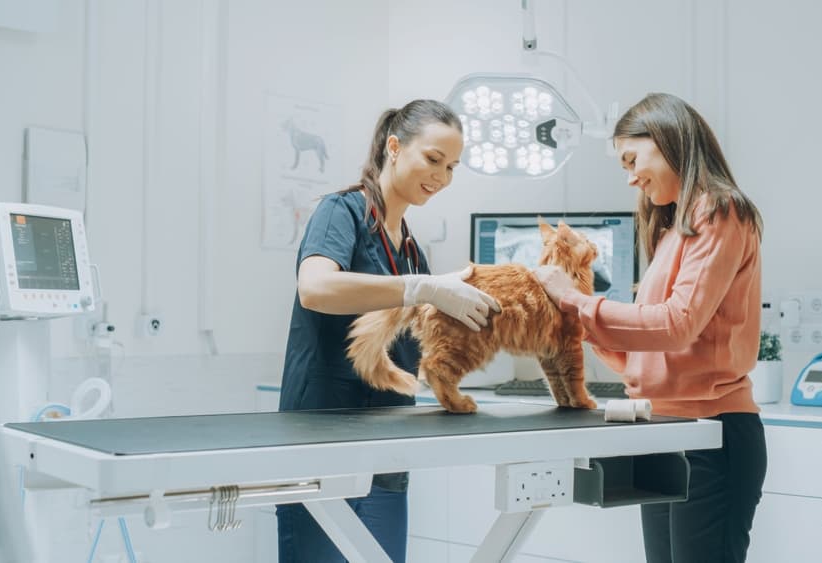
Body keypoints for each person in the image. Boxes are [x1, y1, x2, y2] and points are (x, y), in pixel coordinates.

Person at [535, 92, 767, 563]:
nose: (630, 177)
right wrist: (571, 322)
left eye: (632, 158)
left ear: (666, 139)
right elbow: (647, 351)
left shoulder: (720, 210)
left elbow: (677, 326)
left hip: (712, 432)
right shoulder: (670, 230)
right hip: (665, 430)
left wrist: (578, 302)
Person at [275, 99, 500, 563]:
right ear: (394, 147)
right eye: (433, 159)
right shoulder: (343, 213)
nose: (442, 177)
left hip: (388, 444)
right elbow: (315, 288)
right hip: (325, 435)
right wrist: (420, 288)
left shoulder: (412, 247)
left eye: (453, 167)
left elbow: (419, 328)